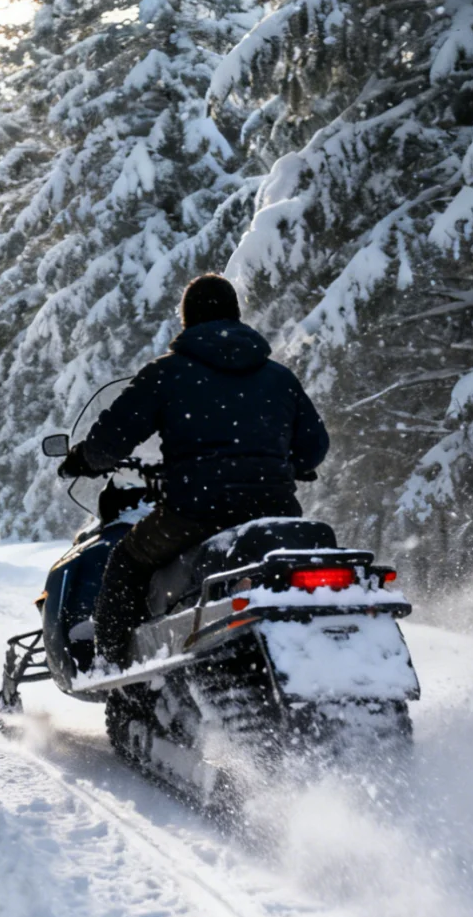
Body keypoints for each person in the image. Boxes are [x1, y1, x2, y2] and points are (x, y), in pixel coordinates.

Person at [59, 273, 329, 669]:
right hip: (273, 510)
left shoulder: (167, 373)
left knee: (126, 562)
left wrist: (83, 459)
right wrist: (289, 465)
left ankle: (117, 670)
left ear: (187, 319)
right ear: (236, 315)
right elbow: (314, 449)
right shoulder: (278, 376)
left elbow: (109, 443)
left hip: (196, 513)